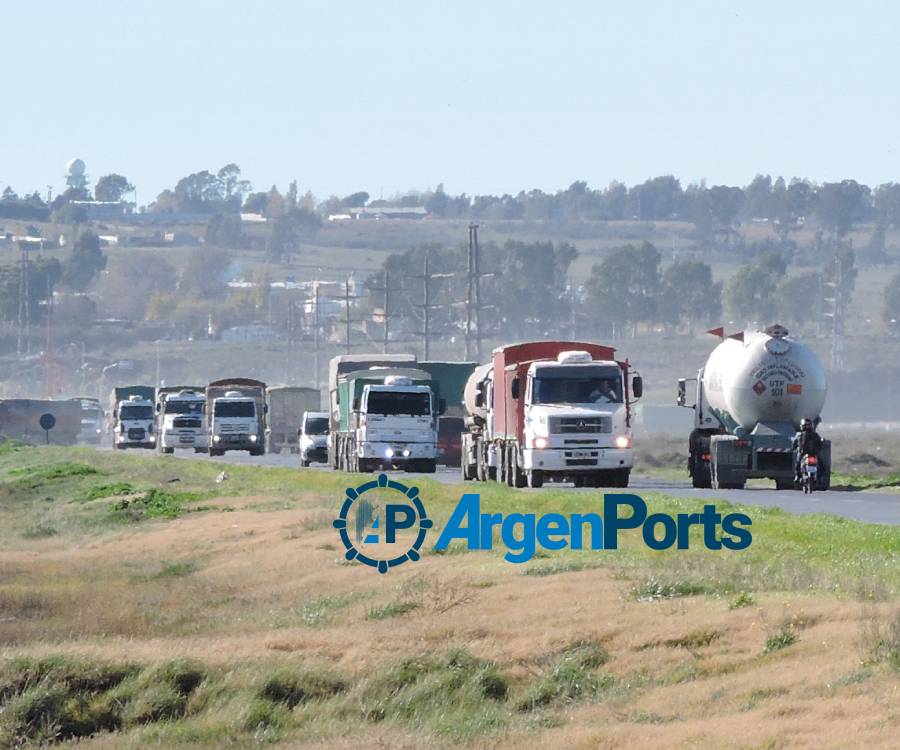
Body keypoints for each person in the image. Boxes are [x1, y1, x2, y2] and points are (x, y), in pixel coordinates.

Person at [793, 418, 823, 487]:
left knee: (797, 463)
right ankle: (798, 476)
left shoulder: (800, 435)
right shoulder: (813, 434)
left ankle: (797, 477)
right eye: (805, 425)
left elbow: (794, 444)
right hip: (809, 453)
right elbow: (820, 443)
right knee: (797, 463)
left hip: (808, 454)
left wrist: (794, 448)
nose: (807, 427)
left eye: (808, 425)